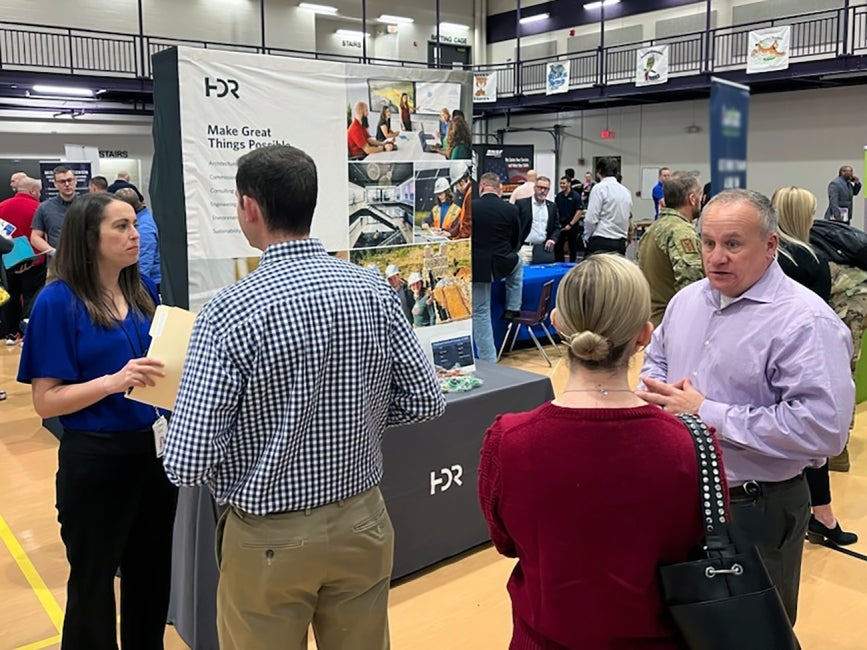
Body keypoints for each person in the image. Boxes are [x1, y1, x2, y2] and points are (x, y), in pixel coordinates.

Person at [162, 144, 445, 650]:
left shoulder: (228, 312)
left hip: (268, 536)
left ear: (249, 208)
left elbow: (188, 461)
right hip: (363, 520)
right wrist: (364, 419)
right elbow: (426, 399)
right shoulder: (374, 290)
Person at [637, 189, 855, 624]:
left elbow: (825, 429)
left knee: (751, 633)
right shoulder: (687, 302)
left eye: (733, 244)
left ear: (770, 245)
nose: (717, 257)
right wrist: (661, 395)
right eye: (708, 243)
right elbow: (655, 362)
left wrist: (705, 411)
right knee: (682, 626)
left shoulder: (804, 322)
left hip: (756, 508)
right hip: (678, 496)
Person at [479, 254, 710, 648]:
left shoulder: (509, 440)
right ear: (645, 334)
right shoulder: (692, 443)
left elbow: (506, 543)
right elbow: (697, 546)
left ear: (557, 323)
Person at [17, 192, 177, 649]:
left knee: (150, 578)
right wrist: (112, 382)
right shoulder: (58, 302)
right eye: (122, 227)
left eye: (135, 225)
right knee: (93, 583)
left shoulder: (142, 289)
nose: (135, 235)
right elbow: (46, 402)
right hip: (96, 461)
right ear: (90, 238)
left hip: (153, 456)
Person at [772, 185, 856, 546]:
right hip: (801, 356)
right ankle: (822, 514)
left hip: (773, 355)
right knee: (812, 444)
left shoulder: (775, 258)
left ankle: (815, 513)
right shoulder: (810, 259)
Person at [637, 171, 703, 326]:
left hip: (653, 321)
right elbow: (691, 283)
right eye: (700, 194)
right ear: (692, 199)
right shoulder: (681, 232)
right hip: (673, 324)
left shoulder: (654, 229)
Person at [472, 172, 523, 362]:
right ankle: (513, 306)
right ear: (498, 188)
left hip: (478, 267)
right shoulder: (511, 209)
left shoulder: (471, 207)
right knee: (519, 264)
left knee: (480, 312)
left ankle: (489, 359)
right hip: (504, 261)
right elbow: (516, 241)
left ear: (482, 187)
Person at [0, 177, 46, 344]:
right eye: (39, 192)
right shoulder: (39, 208)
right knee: (32, 297)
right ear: (33, 191)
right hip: (34, 261)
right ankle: (27, 333)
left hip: (7, 260)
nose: (40, 195)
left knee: (9, 297)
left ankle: (10, 333)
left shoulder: (2, 206)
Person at [583, 157, 632, 256]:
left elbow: (591, 219)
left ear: (598, 172)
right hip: (620, 242)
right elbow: (627, 217)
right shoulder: (626, 191)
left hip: (601, 240)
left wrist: (587, 236)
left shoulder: (599, 188)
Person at [115, 187, 161, 292]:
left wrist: (135, 288)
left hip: (150, 283)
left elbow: (144, 262)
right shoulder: (146, 218)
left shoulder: (143, 228)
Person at [31, 164, 78, 257]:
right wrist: (53, 252)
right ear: (55, 184)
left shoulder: (87, 205)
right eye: (62, 181)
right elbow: (35, 237)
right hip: (56, 264)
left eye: (70, 180)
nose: (67, 184)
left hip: (84, 263)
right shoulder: (45, 207)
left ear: (75, 181)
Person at [515, 176, 559, 264]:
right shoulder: (521, 204)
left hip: (543, 248)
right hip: (525, 248)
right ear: (534, 188)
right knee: (523, 275)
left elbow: (556, 227)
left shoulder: (552, 206)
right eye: (540, 187)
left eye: (545, 189)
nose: (542, 191)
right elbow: (514, 225)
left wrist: (552, 239)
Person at [553, 175, 583, 262]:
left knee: (572, 247)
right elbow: (556, 210)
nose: (562, 185)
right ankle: (559, 265)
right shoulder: (559, 196)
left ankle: (572, 266)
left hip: (572, 225)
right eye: (561, 183)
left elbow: (579, 211)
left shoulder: (576, 196)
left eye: (564, 183)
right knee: (558, 247)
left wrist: (570, 224)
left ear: (569, 184)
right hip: (561, 225)